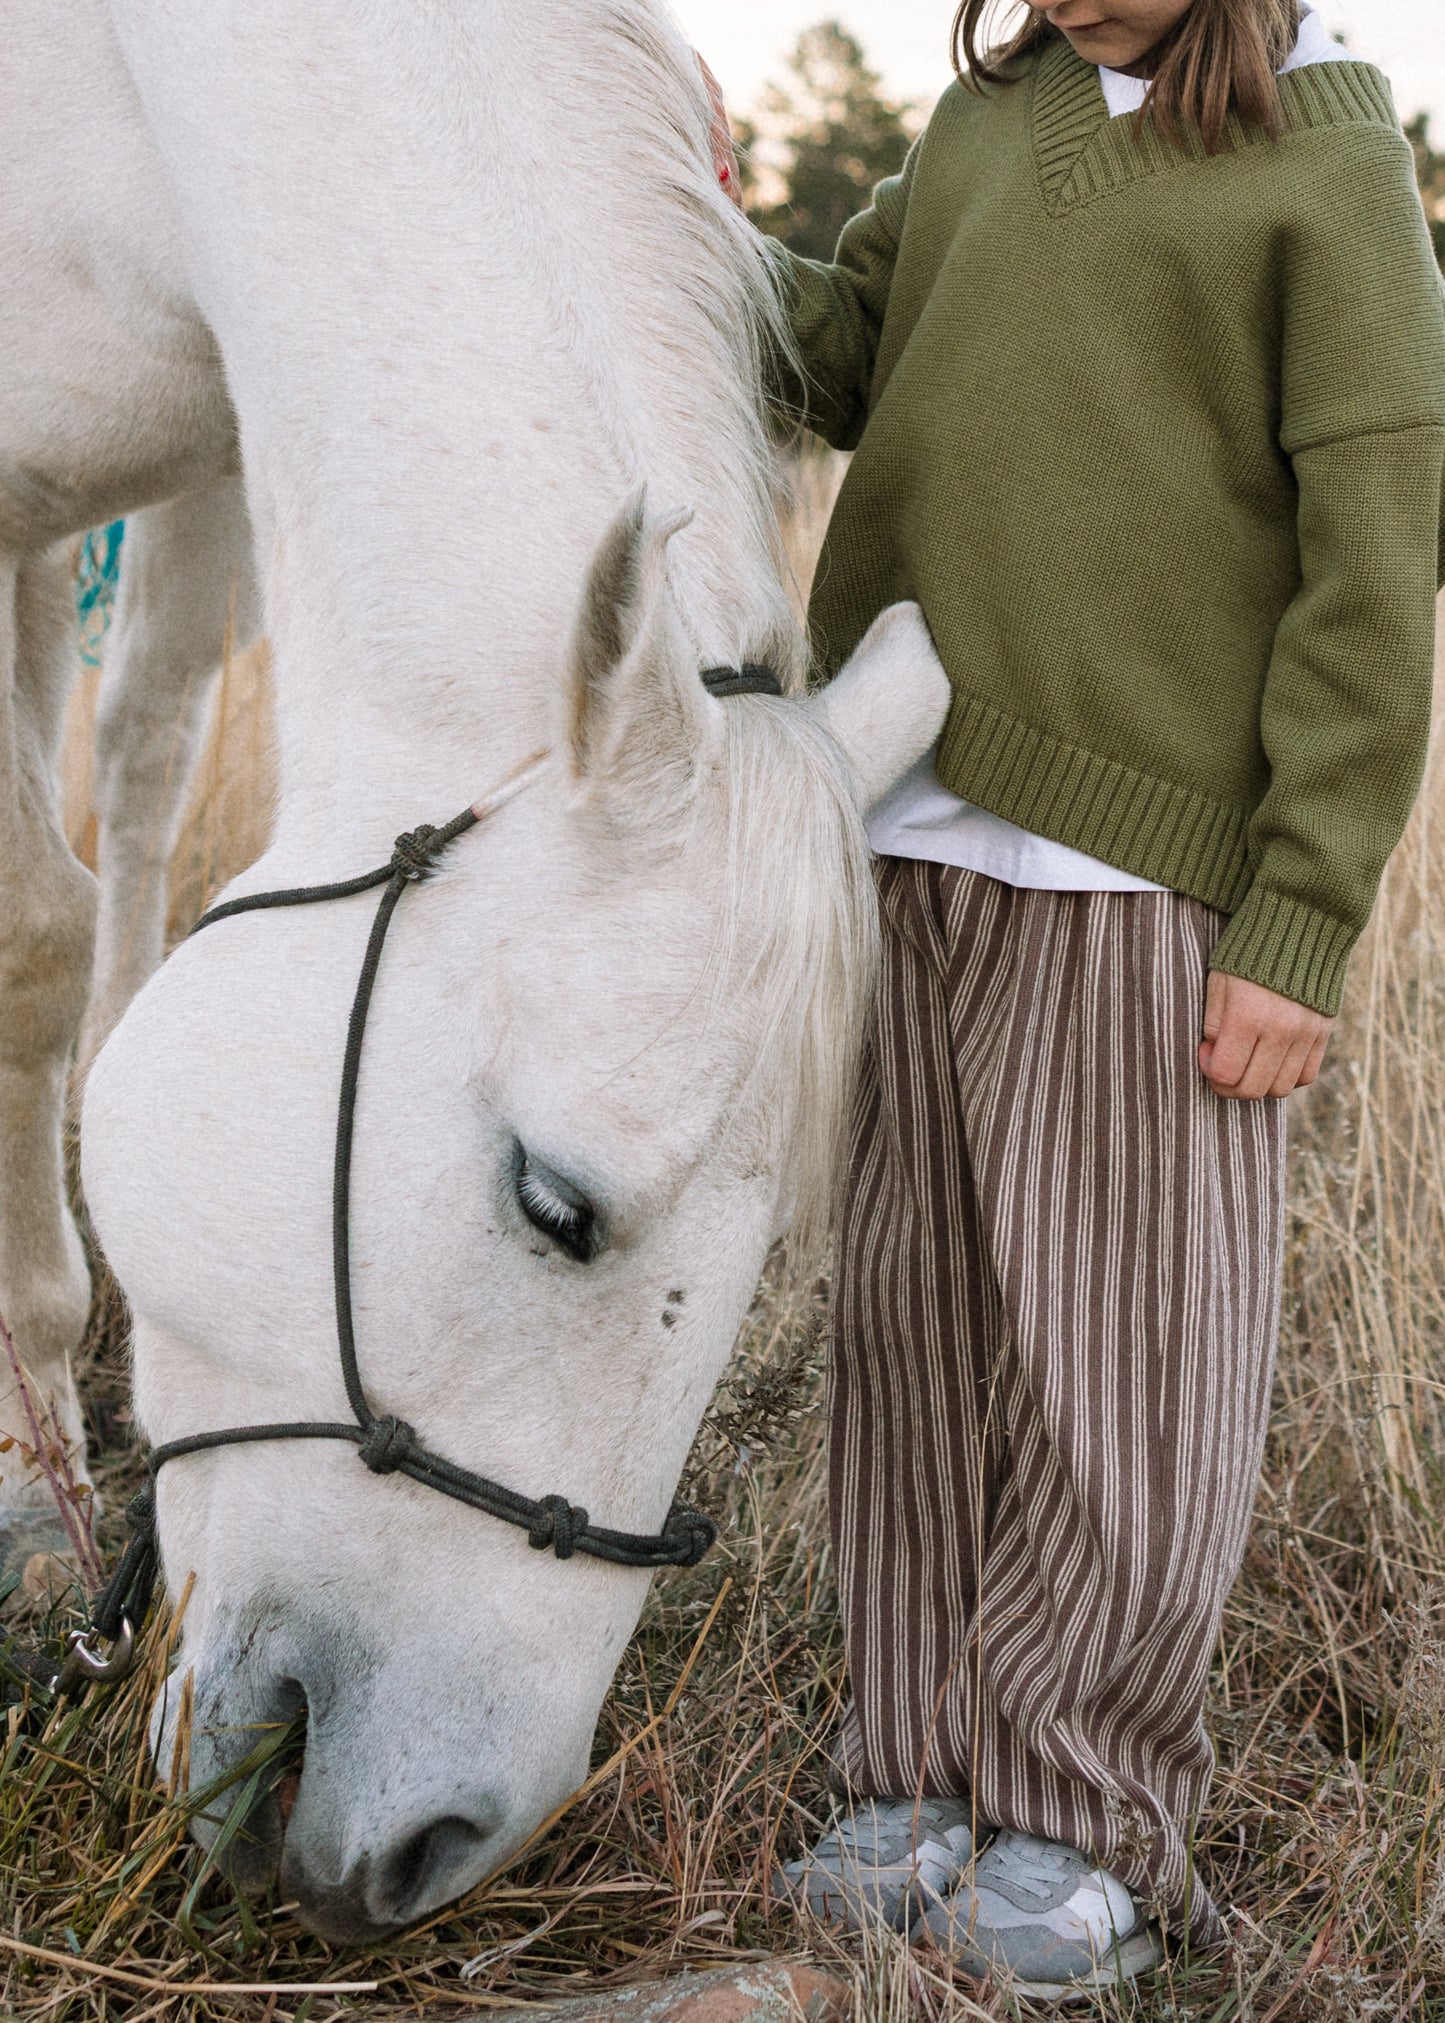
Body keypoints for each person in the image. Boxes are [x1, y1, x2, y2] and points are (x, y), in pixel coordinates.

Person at [704, 0, 1445, 1998]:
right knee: (918, 1335)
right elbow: (839, 352)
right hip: (907, 814)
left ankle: (1077, 1816)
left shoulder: (1321, 155)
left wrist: (1300, 915)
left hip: (1142, 867)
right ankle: (910, 1773)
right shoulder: (987, 115)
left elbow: (1374, 570)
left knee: (1120, 1364)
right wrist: (678, 215)